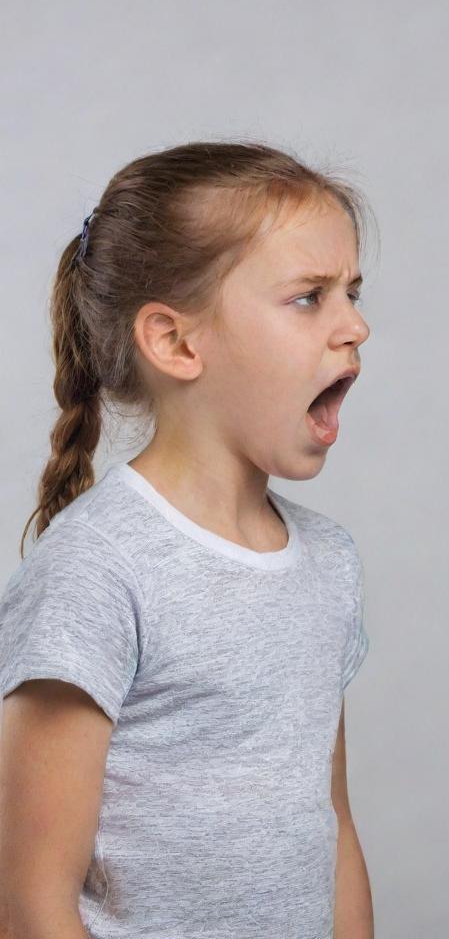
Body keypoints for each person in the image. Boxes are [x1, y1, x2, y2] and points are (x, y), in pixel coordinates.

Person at [0, 141, 374, 939]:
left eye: (352, 291)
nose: (355, 325)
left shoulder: (329, 563)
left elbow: (331, 828)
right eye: (309, 297)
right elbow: (31, 901)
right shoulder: (97, 568)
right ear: (175, 342)